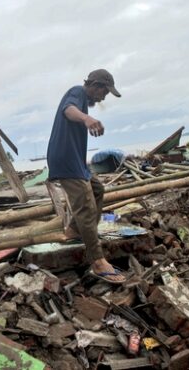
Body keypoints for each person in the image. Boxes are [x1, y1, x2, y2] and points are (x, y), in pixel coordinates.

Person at [46, 69, 125, 284]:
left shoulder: (81, 97)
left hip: (76, 161)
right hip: (66, 159)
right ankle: (97, 261)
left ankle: (74, 230)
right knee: (86, 206)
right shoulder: (77, 93)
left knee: (98, 190)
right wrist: (87, 118)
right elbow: (68, 110)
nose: (102, 98)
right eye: (104, 93)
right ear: (96, 86)